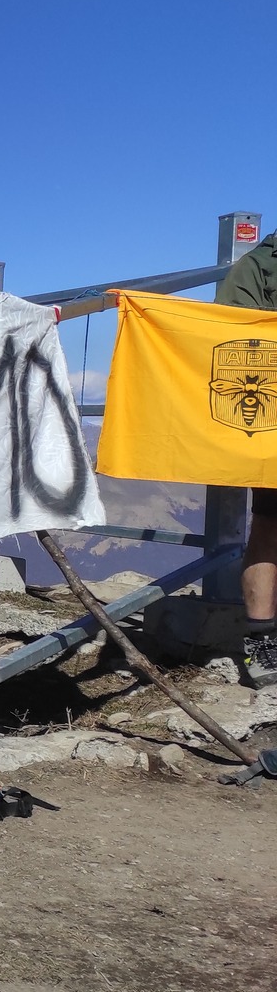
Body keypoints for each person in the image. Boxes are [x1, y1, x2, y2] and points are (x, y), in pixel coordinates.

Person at [218, 229, 277, 686]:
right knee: (272, 524)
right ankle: (262, 644)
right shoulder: (259, 266)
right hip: (273, 418)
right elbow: (229, 336)